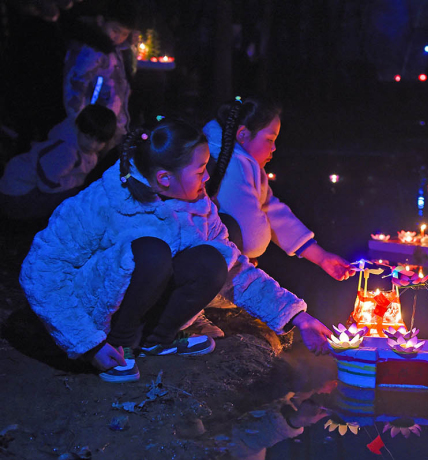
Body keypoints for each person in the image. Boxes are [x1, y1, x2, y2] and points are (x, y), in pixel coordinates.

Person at [19, 118, 332, 383]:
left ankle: (157, 339)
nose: (207, 177)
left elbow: (236, 268)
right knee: (150, 252)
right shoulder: (101, 202)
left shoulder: (198, 205)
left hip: (140, 304)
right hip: (94, 322)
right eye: (199, 171)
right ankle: (119, 347)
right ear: (164, 178)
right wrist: (88, 343)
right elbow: (40, 272)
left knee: (212, 260)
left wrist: (297, 317)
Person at [202, 96, 356, 281]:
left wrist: (321, 257)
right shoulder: (232, 166)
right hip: (209, 273)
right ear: (242, 134)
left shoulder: (247, 166)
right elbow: (250, 239)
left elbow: (272, 211)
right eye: (269, 139)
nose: (274, 148)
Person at [0, 104, 116, 220]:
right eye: (88, 137)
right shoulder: (67, 152)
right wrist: (77, 181)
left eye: (99, 141)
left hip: (24, 184)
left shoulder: (81, 145)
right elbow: (48, 184)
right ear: (79, 127)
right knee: (73, 198)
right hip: (14, 195)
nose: (92, 145)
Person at [62, 0, 134, 146]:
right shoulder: (91, 50)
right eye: (115, 30)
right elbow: (75, 90)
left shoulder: (116, 49)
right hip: (95, 131)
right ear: (101, 21)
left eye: (125, 34)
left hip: (110, 128)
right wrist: (85, 130)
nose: (118, 38)